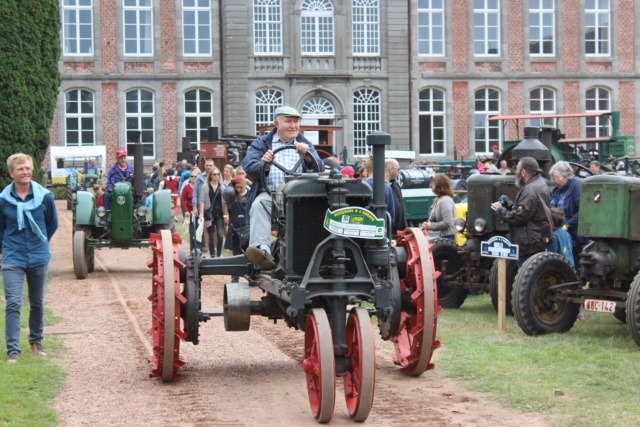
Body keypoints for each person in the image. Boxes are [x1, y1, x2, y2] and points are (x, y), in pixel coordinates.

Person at [242, 106, 323, 270]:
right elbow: (249, 165)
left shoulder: (305, 144)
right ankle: (262, 251)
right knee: (258, 205)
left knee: (316, 213)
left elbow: (319, 167)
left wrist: (308, 156)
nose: (293, 126)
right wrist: (264, 164)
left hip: (300, 198)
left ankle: (311, 254)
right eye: (288, 121)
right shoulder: (262, 143)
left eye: (296, 121)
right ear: (277, 123)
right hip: (271, 195)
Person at [1, 153, 59, 363]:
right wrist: (4, 251)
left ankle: (36, 342)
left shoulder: (45, 197)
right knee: (13, 303)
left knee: (37, 302)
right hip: (12, 257)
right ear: (11, 173)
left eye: (27, 168)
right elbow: (1, 229)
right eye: (20, 169)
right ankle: (13, 350)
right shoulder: (3, 200)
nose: (25, 172)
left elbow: (51, 224)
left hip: (38, 255)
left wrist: (41, 242)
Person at [491, 157, 553, 267]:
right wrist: (511, 207)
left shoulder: (529, 190)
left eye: (518, 169)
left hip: (528, 243)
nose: (516, 172)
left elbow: (520, 217)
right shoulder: (541, 184)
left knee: (526, 277)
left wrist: (500, 210)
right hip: (537, 238)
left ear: (523, 172)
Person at [549, 161, 586, 272]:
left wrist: (567, 226)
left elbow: (583, 211)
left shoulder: (578, 186)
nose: (552, 181)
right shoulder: (557, 189)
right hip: (558, 233)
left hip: (574, 236)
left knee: (573, 266)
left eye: (554, 178)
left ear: (565, 177)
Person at [223, 176, 250, 281]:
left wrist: (247, 185)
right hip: (235, 229)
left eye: (242, 187)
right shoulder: (230, 195)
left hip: (248, 228)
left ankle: (250, 277)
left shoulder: (249, 192)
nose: (240, 190)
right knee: (236, 254)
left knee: (250, 254)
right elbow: (228, 191)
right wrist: (232, 183)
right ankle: (235, 278)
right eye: (238, 187)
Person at [199, 167, 227, 258]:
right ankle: (212, 254)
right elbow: (202, 200)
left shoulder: (222, 187)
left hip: (219, 214)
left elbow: (225, 202)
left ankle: (218, 254)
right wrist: (201, 213)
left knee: (220, 234)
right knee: (211, 235)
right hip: (209, 214)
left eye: (218, 174)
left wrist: (226, 215)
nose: (216, 176)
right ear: (210, 176)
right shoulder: (205, 186)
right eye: (214, 174)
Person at [363, 157, 395, 228]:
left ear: (367, 171)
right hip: (381, 228)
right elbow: (391, 213)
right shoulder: (387, 187)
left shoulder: (362, 186)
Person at [422, 174, 456, 240]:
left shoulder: (445, 200)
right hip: (437, 237)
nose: (431, 184)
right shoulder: (437, 199)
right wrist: (427, 224)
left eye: (433, 182)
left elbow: (447, 223)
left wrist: (431, 226)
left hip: (445, 238)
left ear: (438, 185)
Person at [192, 159, 215, 252]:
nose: (208, 167)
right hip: (202, 206)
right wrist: (194, 207)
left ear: (213, 166)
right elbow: (195, 193)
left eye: (210, 165)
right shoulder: (200, 178)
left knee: (213, 227)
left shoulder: (216, 176)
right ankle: (202, 245)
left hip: (213, 206)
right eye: (207, 165)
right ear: (204, 166)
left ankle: (213, 247)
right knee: (202, 226)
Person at [385, 158, 408, 235]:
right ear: (391, 169)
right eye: (398, 169)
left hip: (399, 232)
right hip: (388, 232)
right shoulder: (381, 187)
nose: (399, 171)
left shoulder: (395, 185)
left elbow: (401, 209)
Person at [181, 170, 197, 250]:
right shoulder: (186, 187)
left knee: (199, 229)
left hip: (198, 210)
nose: (194, 178)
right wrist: (186, 211)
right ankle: (192, 247)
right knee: (192, 229)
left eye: (195, 176)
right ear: (190, 178)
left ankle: (200, 246)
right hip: (190, 212)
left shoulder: (200, 186)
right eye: (192, 176)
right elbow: (183, 200)